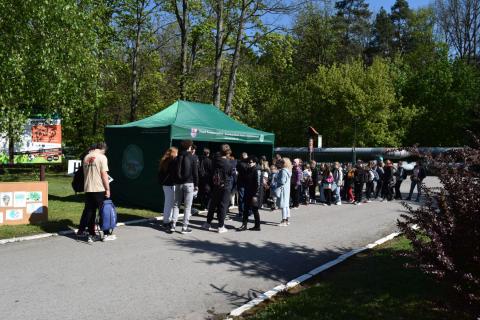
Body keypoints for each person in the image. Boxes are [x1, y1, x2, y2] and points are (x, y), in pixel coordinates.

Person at [77, 142, 114, 242]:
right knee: (103, 211)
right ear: (103, 149)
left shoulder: (86, 157)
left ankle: (91, 234)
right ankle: (105, 234)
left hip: (88, 187)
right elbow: (104, 175)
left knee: (90, 211)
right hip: (99, 188)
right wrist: (108, 189)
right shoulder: (102, 157)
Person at [203, 144, 234, 233]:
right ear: (228, 152)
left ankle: (208, 223)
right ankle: (221, 226)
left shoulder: (215, 160)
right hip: (226, 185)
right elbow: (231, 174)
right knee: (223, 206)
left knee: (213, 204)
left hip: (216, 184)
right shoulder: (229, 164)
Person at [171, 140, 199, 234]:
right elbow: (195, 173)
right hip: (189, 183)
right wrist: (197, 184)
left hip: (178, 183)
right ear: (189, 147)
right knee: (187, 207)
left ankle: (173, 225)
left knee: (176, 205)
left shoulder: (177, 156)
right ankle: (184, 227)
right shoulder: (193, 157)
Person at [237, 156, 262, 231]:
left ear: (255, 162)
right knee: (246, 209)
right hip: (248, 191)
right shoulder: (249, 169)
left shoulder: (257, 170)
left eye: (250, 162)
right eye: (248, 162)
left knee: (255, 209)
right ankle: (244, 225)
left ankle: (257, 226)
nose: (248, 163)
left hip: (254, 193)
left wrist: (255, 194)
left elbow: (258, 184)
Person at [158, 147, 178, 231]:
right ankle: (166, 222)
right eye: (176, 153)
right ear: (173, 153)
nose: (177, 154)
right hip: (170, 185)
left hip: (165, 185)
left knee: (168, 203)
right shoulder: (172, 162)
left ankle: (167, 220)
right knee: (170, 204)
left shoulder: (164, 161)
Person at [275, 158, 292, 226]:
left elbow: (282, 181)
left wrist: (277, 178)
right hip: (287, 189)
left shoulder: (283, 171)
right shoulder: (288, 171)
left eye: (281, 163)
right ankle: (287, 220)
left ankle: (283, 221)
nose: (279, 164)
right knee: (286, 205)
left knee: (283, 206)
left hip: (282, 190)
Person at [236, 152, 249, 218]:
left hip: (243, 182)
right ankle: (242, 212)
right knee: (242, 197)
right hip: (243, 182)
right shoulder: (242, 164)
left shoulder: (240, 163)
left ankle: (242, 212)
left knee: (242, 197)